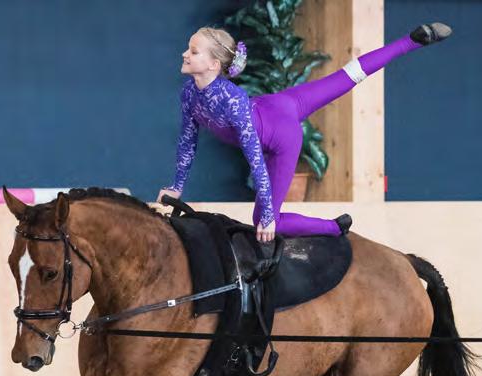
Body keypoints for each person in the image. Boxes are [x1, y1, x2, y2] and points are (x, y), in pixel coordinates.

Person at [157, 23, 452, 242]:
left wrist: (270, 215)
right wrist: (177, 187)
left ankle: (335, 228)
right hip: (274, 105)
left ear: (213, 64)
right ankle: (411, 41)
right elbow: (187, 141)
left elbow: (255, 157)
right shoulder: (189, 93)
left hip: (280, 137)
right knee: (344, 78)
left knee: (345, 77)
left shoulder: (231, 100)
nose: (184, 54)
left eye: (192, 51)